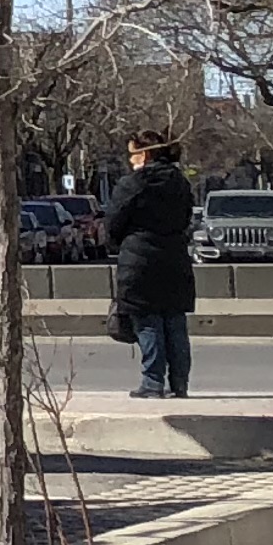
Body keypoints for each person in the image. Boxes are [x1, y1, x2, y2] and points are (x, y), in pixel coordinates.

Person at [103, 131, 199, 398]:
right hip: (175, 257)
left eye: (132, 154)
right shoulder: (180, 183)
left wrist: (115, 244)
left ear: (144, 155)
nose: (131, 160)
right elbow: (185, 219)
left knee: (147, 321)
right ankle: (180, 382)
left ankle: (152, 382)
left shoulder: (133, 183)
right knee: (174, 321)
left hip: (139, 259)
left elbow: (113, 222)